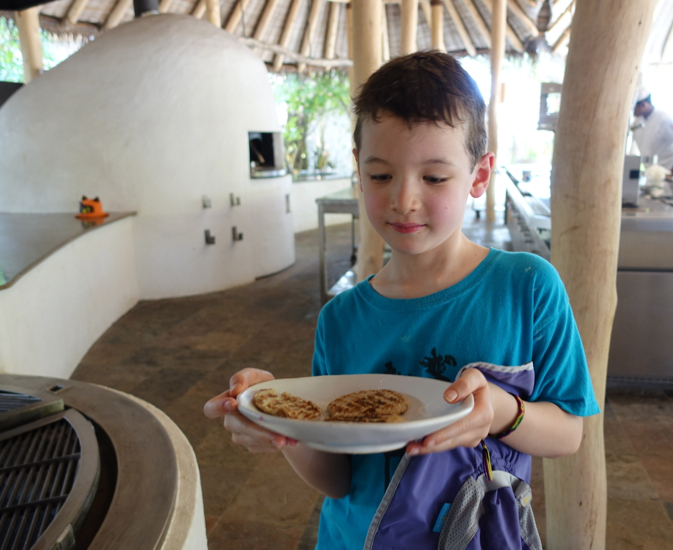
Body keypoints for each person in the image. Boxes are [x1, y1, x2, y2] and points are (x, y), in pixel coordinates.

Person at [204, 51, 600, 550]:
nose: (404, 200)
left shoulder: (526, 287)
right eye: (381, 175)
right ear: (359, 170)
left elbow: (568, 433)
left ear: (479, 176)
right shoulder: (341, 319)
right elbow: (340, 479)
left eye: (434, 177)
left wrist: (499, 410)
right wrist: (282, 423)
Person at [631, 86, 673, 181]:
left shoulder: (665, 120)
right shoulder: (637, 122)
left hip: (669, 175)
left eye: (633, 107)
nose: (631, 111)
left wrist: (671, 174)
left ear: (643, 105)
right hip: (651, 174)